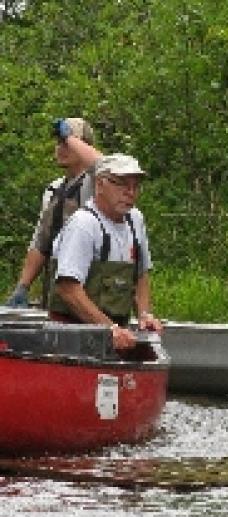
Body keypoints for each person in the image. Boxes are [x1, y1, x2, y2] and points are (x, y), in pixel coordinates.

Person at [47, 128, 162, 351]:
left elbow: (141, 275)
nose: (131, 192)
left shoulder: (135, 220)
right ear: (100, 184)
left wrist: (144, 315)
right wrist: (108, 329)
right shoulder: (84, 225)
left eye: (135, 186)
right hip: (72, 338)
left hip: (115, 334)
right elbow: (68, 289)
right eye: (122, 184)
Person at [5, 117, 98, 308]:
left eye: (67, 143)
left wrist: (72, 139)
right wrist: (23, 286)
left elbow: (105, 166)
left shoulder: (96, 185)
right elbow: (40, 241)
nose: (60, 148)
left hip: (89, 289)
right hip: (55, 286)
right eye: (59, 143)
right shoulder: (53, 189)